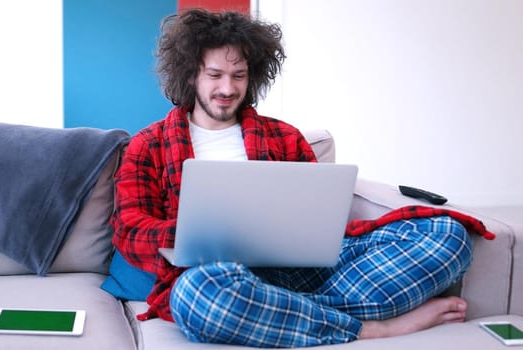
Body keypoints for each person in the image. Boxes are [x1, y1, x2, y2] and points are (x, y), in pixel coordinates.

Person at [110, 9, 473, 348]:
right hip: (216, 274)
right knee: (197, 295)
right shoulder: (149, 145)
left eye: (238, 76)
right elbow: (129, 230)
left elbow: (315, 215)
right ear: (191, 75)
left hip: (300, 270)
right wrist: (203, 233)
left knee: (449, 235)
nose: (227, 89)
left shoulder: (285, 137)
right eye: (215, 75)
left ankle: (281, 313)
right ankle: (369, 327)